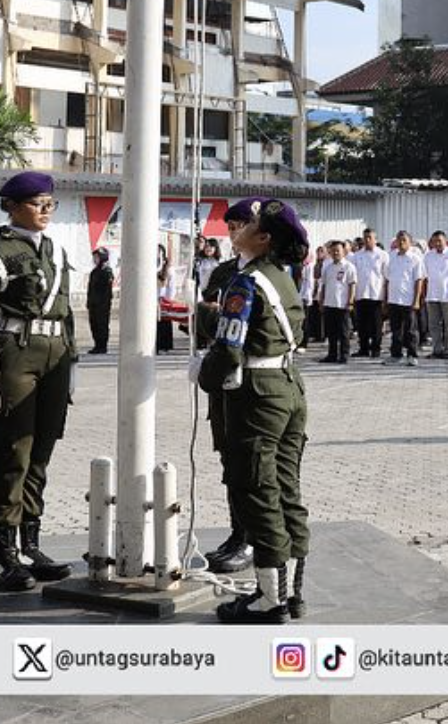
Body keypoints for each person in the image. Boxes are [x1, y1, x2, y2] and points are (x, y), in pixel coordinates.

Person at [196, 198, 311, 624]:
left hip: (257, 394)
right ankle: (291, 592)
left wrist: (204, 373)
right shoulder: (281, 278)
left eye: (251, 224)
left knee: (257, 493)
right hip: (288, 387)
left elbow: (229, 347)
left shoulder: (247, 281)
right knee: (286, 493)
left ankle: (269, 599)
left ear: (263, 238)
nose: (239, 228)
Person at [0, 171, 76, 592]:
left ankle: (30, 545)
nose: (45, 210)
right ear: (11, 206)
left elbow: (66, 310)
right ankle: (3, 556)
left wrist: (73, 361)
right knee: (11, 455)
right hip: (14, 354)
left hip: (54, 356)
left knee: (40, 455)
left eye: (50, 203)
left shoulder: (56, 251)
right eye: (36, 203)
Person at [193, 222, 250, 575]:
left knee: (252, 465)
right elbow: (205, 317)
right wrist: (213, 315)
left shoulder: (266, 273)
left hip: (253, 377)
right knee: (230, 459)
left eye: (242, 226)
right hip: (223, 376)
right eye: (231, 228)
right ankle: (237, 532)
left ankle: (251, 538)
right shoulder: (226, 271)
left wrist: (219, 316)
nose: (235, 234)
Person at [382, 230, 425, 367]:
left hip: (408, 300)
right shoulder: (391, 257)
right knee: (396, 329)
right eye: (399, 240)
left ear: (410, 243)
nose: (401, 243)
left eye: (404, 240)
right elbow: (387, 279)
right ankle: (396, 354)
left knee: (411, 330)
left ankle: (412, 355)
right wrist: (386, 298)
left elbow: (419, 280)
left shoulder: (415, 259)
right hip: (394, 299)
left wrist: (417, 299)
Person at [348, 229, 388, 359]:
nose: (367, 240)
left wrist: (386, 297)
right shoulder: (357, 256)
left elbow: (386, 276)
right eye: (365, 237)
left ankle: (376, 349)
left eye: (370, 237)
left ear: (375, 239)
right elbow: (353, 277)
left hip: (376, 294)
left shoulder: (382, 255)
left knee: (376, 324)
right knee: (362, 324)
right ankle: (363, 348)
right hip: (361, 293)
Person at [315, 241, 357, 364]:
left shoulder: (349, 267)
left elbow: (352, 285)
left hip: (342, 304)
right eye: (333, 250)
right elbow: (323, 285)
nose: (335, 253)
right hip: (329, 303)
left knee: (343, 332)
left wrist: (350, 302)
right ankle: (332, 354)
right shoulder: (328, 267)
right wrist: (321, 301)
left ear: (343, 251)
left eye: (338, 250)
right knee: (331, 332)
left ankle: (344, 355)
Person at [420, 231, 448, 360]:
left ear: (445, 240)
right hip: (432, 295)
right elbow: (424, 277)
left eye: (440, 241)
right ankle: (437, 349)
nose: (437, 243)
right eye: (435, 241)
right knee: (433, 324)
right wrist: (424, 294)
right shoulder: (428, 256)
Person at [85, 247, 114, 354]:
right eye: (94, 257)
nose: (95, 259)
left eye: (97, 257)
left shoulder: (107, 271)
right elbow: (90, 288)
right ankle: (97, 344)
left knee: (102, 325)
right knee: (94, 324)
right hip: (93, 303)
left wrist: (103, 302)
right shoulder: (94, 272)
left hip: (102, 304)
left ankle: (102, 346)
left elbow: (106, 289)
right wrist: (89, 301)